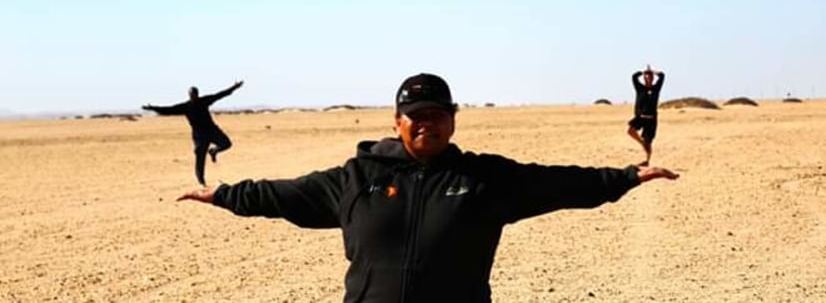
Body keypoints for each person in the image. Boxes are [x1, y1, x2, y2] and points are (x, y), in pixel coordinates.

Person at [177, 73, 678, 302]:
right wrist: (224, 194)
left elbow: (557, 182)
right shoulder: (356, 178)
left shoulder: (484, 179)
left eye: (437, 116)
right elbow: (284, 194)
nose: (427, 125)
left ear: (453, 121)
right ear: (397, 123)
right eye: (416, 118)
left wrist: (625, 177)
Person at [143, 80, 244, 186]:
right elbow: (168, 110)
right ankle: (201, 182)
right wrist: (152, 108)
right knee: (200, 159)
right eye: (191, 94)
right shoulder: (186, 106)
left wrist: (234, 87)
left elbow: (220, 95)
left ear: (197, 94)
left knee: (227, 144)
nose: (193, 96)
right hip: (199, 136)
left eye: (195, 94)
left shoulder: (204, 101)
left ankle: (213, 151)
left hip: (212, 130)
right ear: (189, 95)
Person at [627, 66, 665, 165]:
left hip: (651, 119)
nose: (648, 78)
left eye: (650, 76)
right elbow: (634, 77)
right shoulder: (640, 88)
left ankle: (647, 160)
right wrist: (642, 71)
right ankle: (641, 143)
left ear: (652, 78)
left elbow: (662, 76)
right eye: (646, 76)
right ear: (644, 77)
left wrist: (653, 71)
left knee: (648, 142)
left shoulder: (656, 89)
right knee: (630, 130)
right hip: (640, 117)